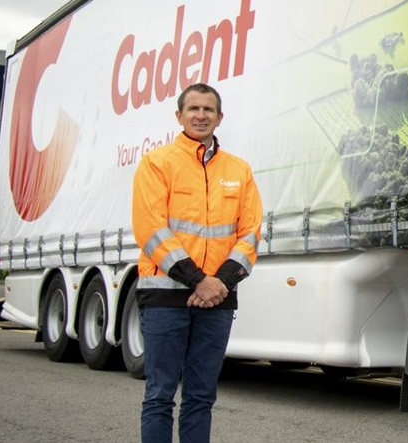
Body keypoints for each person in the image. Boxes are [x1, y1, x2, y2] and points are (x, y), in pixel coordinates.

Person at [131, 83, 262, 443]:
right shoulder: (157, 163)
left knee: (201, 398)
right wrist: (197, 281)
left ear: (220, 118)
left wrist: (219, 282)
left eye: (208, 110)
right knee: (159, 396)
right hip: (165, 298)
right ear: (179, 116)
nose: (201, 115)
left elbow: (250, 234)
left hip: (217, 299)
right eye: (193, 109)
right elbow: (151, 229)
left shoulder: (239, 169)